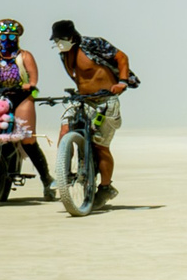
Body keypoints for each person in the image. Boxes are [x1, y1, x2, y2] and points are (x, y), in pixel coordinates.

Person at [51, 19, 132, 197]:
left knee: (99, 145)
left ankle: (105, 187)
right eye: (55, 41)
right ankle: (64, 173)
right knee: (65, 131)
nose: (58, 44)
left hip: (104, 101)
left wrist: (122, 82)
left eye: (61, 39)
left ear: (72, 36)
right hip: (82, 100)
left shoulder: (93, 44)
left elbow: (121, 57)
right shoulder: (64, 54)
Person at [0, 19, 50, 195]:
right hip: (1, 96)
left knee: (27, 138)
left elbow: (34, 77)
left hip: (24, 97)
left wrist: (31, 85)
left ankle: (47, 180)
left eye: (11, 36)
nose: (7, 39)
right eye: (4, 36)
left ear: (18, 38)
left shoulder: (25, 56)